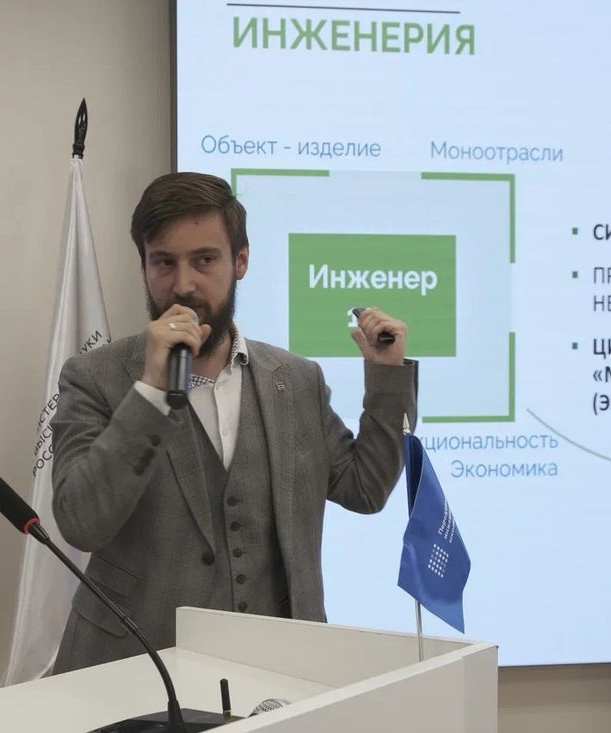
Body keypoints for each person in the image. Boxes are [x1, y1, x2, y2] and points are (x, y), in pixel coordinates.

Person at [50, 172, 417, 673]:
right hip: (133, 669)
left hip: (275, 669)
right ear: (144, 267)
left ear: (240, 261)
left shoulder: (296, 380)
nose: (183, 285)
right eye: (164, 262)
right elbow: (81, 522)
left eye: (204, 260)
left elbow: (366, 489)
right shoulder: (93, 376)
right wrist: (152, 389)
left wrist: (387, 377)